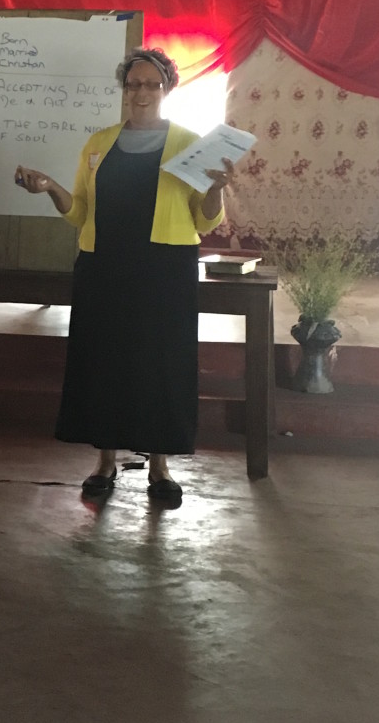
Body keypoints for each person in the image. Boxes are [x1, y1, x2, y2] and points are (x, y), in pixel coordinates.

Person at [15, 47, 234, 507]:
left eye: (151, 84)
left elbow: (206, 221)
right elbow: (78, 213)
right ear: (124, 89)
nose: (141, 93)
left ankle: (160, 466)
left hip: (164, 269)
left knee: (161, 362)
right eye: (133, 84)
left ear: (167, 89)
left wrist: (216, 187)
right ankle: (104, 463)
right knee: (105, 361)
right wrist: (51, 187)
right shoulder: (98, 144)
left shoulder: (191, 144)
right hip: (105, 268)